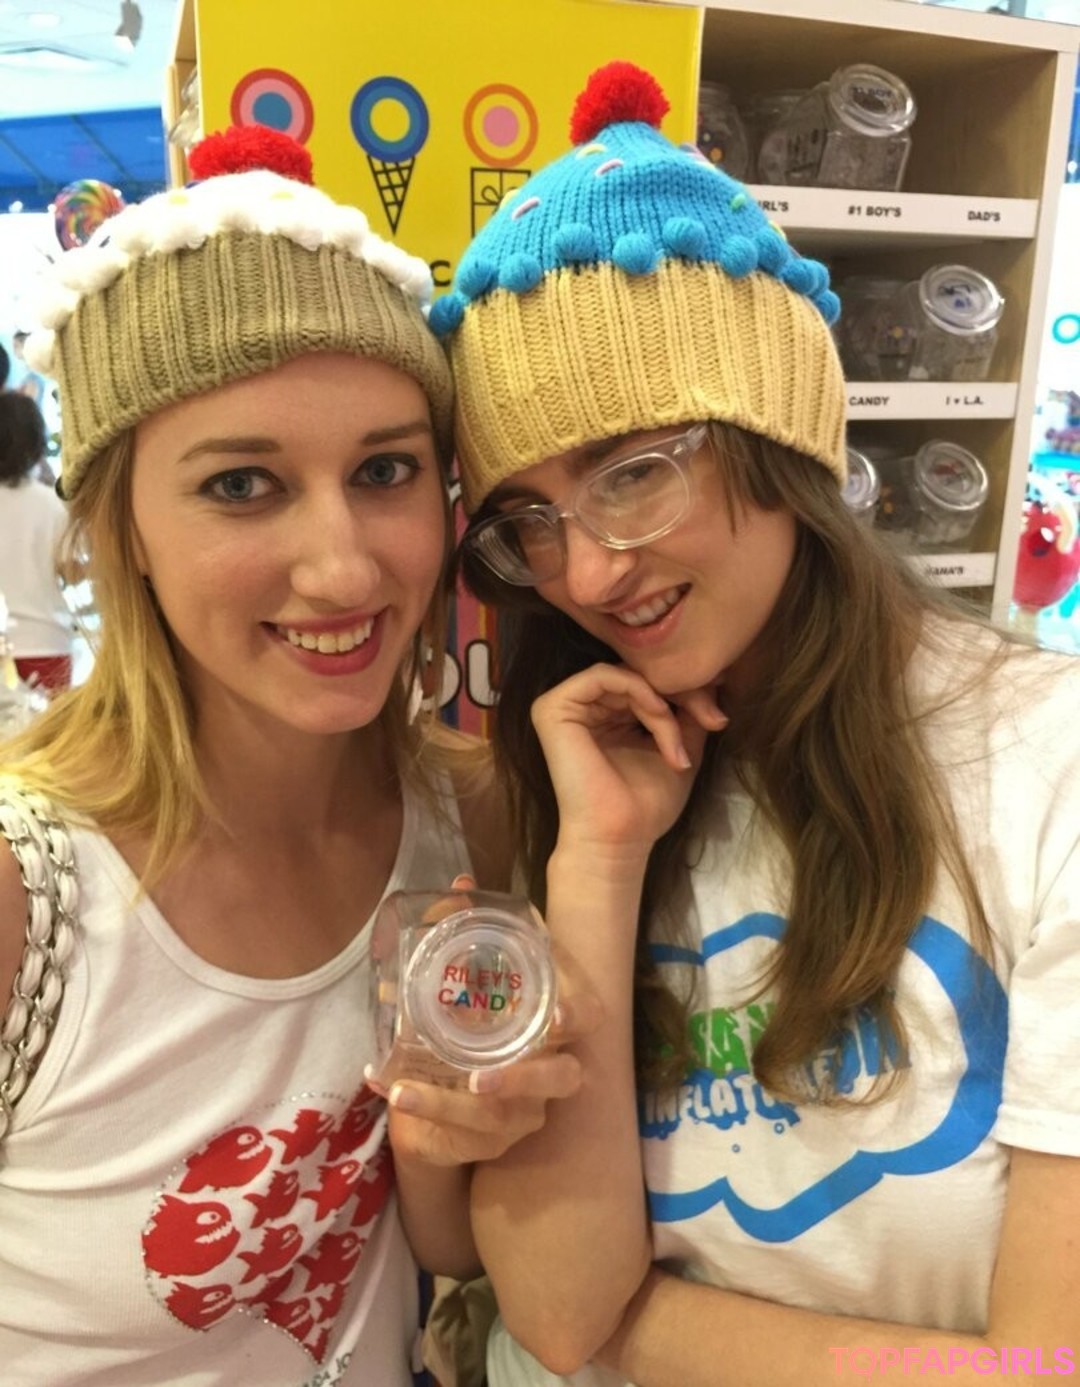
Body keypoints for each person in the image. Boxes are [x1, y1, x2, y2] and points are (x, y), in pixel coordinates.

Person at [429, 61, 1080, 1386]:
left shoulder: (1043, 767)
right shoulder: (594, 771)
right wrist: (598, 863)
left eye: (633, 471)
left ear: (778, 433)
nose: (586, 572)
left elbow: (1041, 1364)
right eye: (530, 520)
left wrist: (632, 1320)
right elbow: (552, 1306)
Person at [0, 125, 580, 1387]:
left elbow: (426, 1249)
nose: (344, 566)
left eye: (386, 469)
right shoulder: (24, 895)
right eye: (241, 486)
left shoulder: (469, 818)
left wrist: (447, 1135)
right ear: (122, 525)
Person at [0, 390, 74, 692]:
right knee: (51, 724)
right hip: (46, 640)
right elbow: (71, 570)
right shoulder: (51, 504)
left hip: (4, 642)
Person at [10, 330, 45, 407]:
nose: (13, 351)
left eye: (16, 346)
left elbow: (29, 403)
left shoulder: (34, 373)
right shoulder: (26, 371)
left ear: (25, 345)